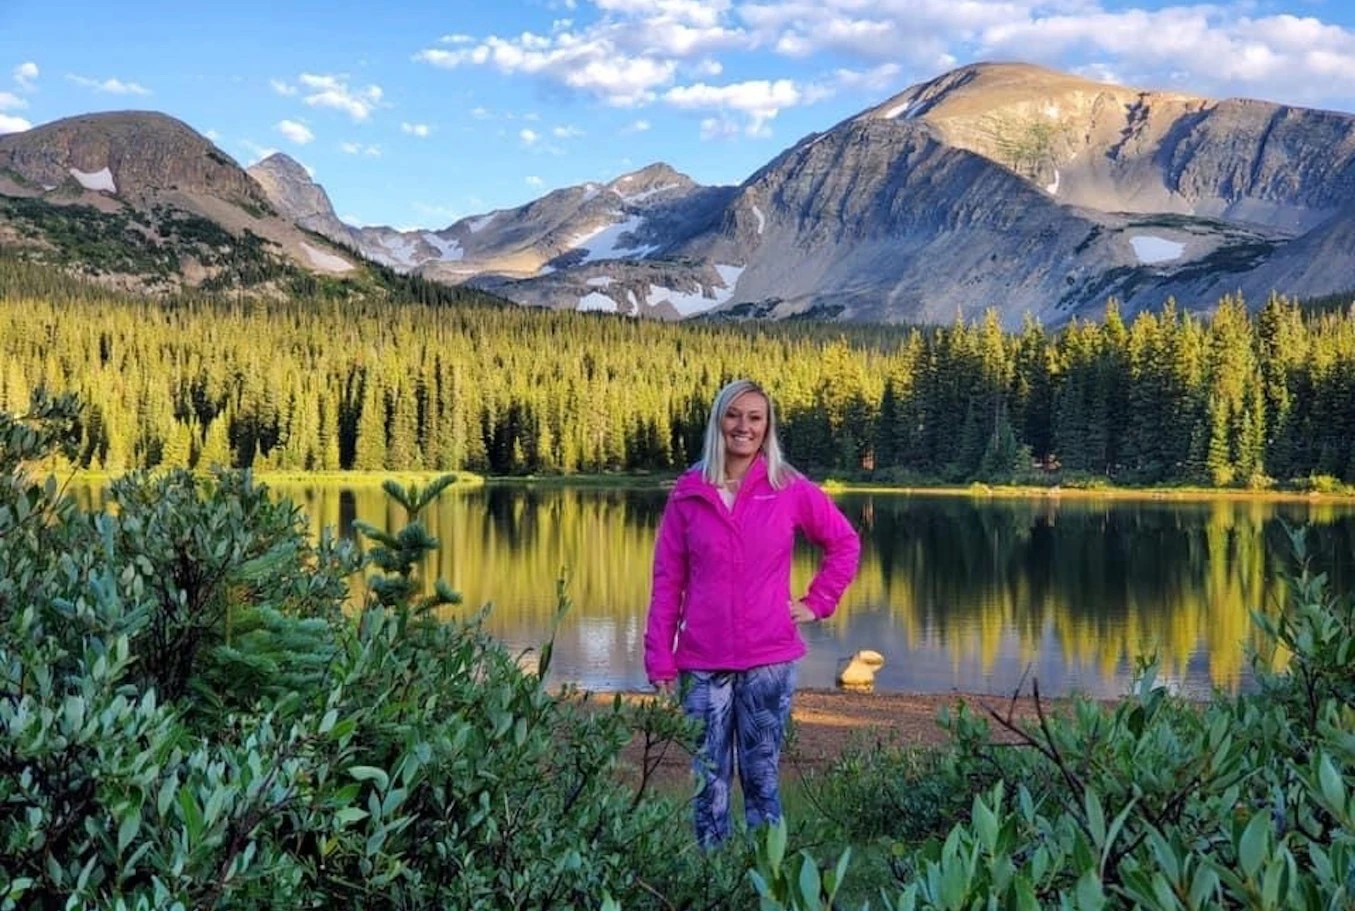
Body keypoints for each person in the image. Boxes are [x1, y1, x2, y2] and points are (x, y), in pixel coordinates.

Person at [643, 378, 861, 848]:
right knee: (709, 783)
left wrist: (818, 601)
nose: (743, 426)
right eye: (733, 415)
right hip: (701, 664)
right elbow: (667, 581)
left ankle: (769, 881)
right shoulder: (688, 491)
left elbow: (844, 543)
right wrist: (659, 657)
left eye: (755, 417)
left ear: (767, 428)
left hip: (769, 662)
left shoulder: (787, 486)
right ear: (718, 421)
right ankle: (713, 881)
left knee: (762, 780)